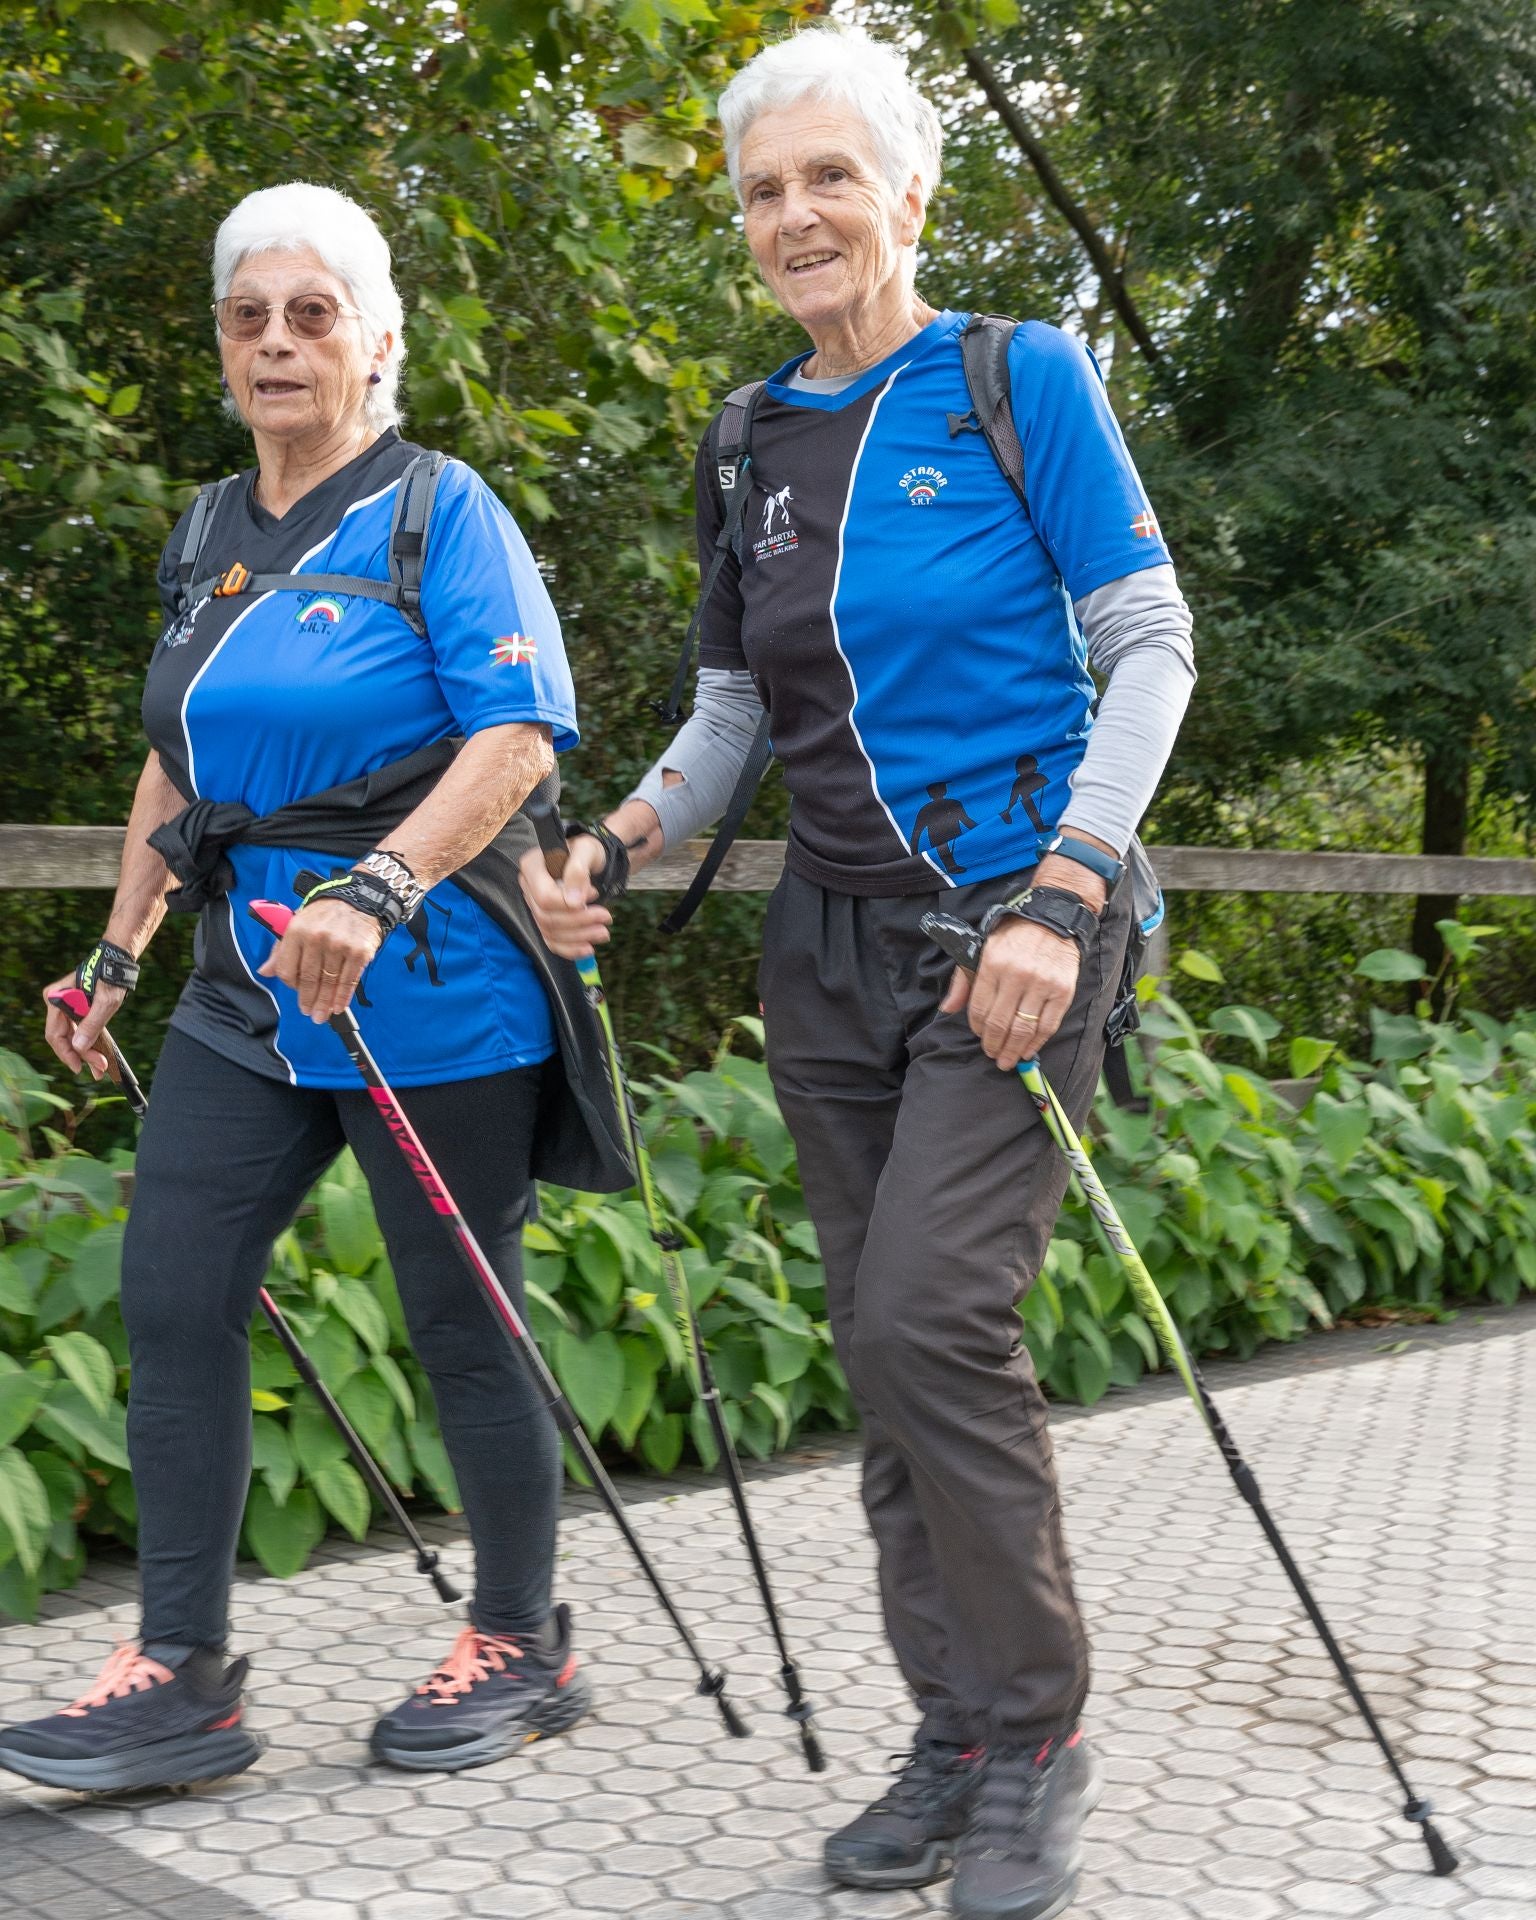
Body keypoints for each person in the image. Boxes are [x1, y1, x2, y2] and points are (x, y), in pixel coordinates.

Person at [519, 26, 1195, 1920]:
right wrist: (617, 842)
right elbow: (734, 709)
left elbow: (1149, 641)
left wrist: (1069, 892)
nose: (797, 215)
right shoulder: (746, 438)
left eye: (832, 176)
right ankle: (954, 1734)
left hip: (1017, 922)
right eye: (765, 190)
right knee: (877, 1352)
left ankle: (1038, 1735)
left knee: (927, 1320)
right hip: (826, 945)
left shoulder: (1013, 375)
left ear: (912, 189)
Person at [0, 182, 629, 1794]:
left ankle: (524, 1640)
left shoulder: (440, 511)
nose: (276, 342)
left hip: (432, 981)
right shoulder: (207, 531)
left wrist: (380, 884)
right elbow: (180, 760)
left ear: (378, 340)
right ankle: (181, 1675)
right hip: (245, 988)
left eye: (312, 313)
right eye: (247, 318)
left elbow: (518, 740)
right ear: (223, 346)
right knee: (171, 1292)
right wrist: (119, 950)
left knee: (459, 1314)